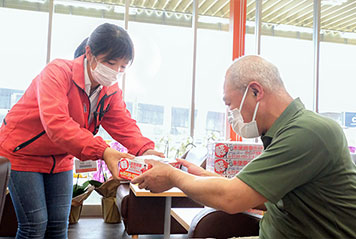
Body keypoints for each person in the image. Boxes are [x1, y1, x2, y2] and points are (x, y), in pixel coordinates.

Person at [132, 55, 356, 238]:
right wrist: (204, 176)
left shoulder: (307, 132)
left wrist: (173, 177)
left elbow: (233, 198)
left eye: (230, 104)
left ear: (256, 91)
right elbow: (259, 195)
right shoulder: (282, 133)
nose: (231, 115)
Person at [0, 23, 163, 239]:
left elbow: (123, 124)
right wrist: (104, 151)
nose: (115, 72)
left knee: (59, 226)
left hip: (60, 158)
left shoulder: (110, 90)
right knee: (34, 226)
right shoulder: (57, 72)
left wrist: (145, 150)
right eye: (110, 62)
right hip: (23, 153)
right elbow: (57, 124)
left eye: (123, 67)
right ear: (89, 53)